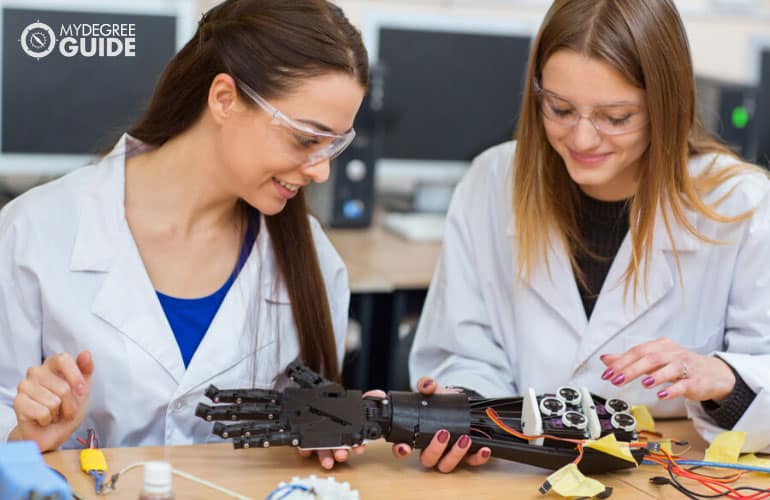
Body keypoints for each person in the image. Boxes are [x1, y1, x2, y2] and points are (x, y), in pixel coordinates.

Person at [399, 0, 770, 473]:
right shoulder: (492, 181)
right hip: (516, 470)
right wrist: (466, 409)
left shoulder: (740, 203)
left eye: (616, 118)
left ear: (666, 107)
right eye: (559, 108)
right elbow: (461, 352)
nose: (582, 139)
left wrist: (723, 380)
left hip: (670, 472)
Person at [0, 0, 368, 470]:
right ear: (223, 99)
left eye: (334, 145)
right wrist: (25, 436)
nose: (321, 171)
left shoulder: (313, 260)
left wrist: (339, 429)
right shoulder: (36, 231)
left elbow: (308, 458)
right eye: (305, 138)